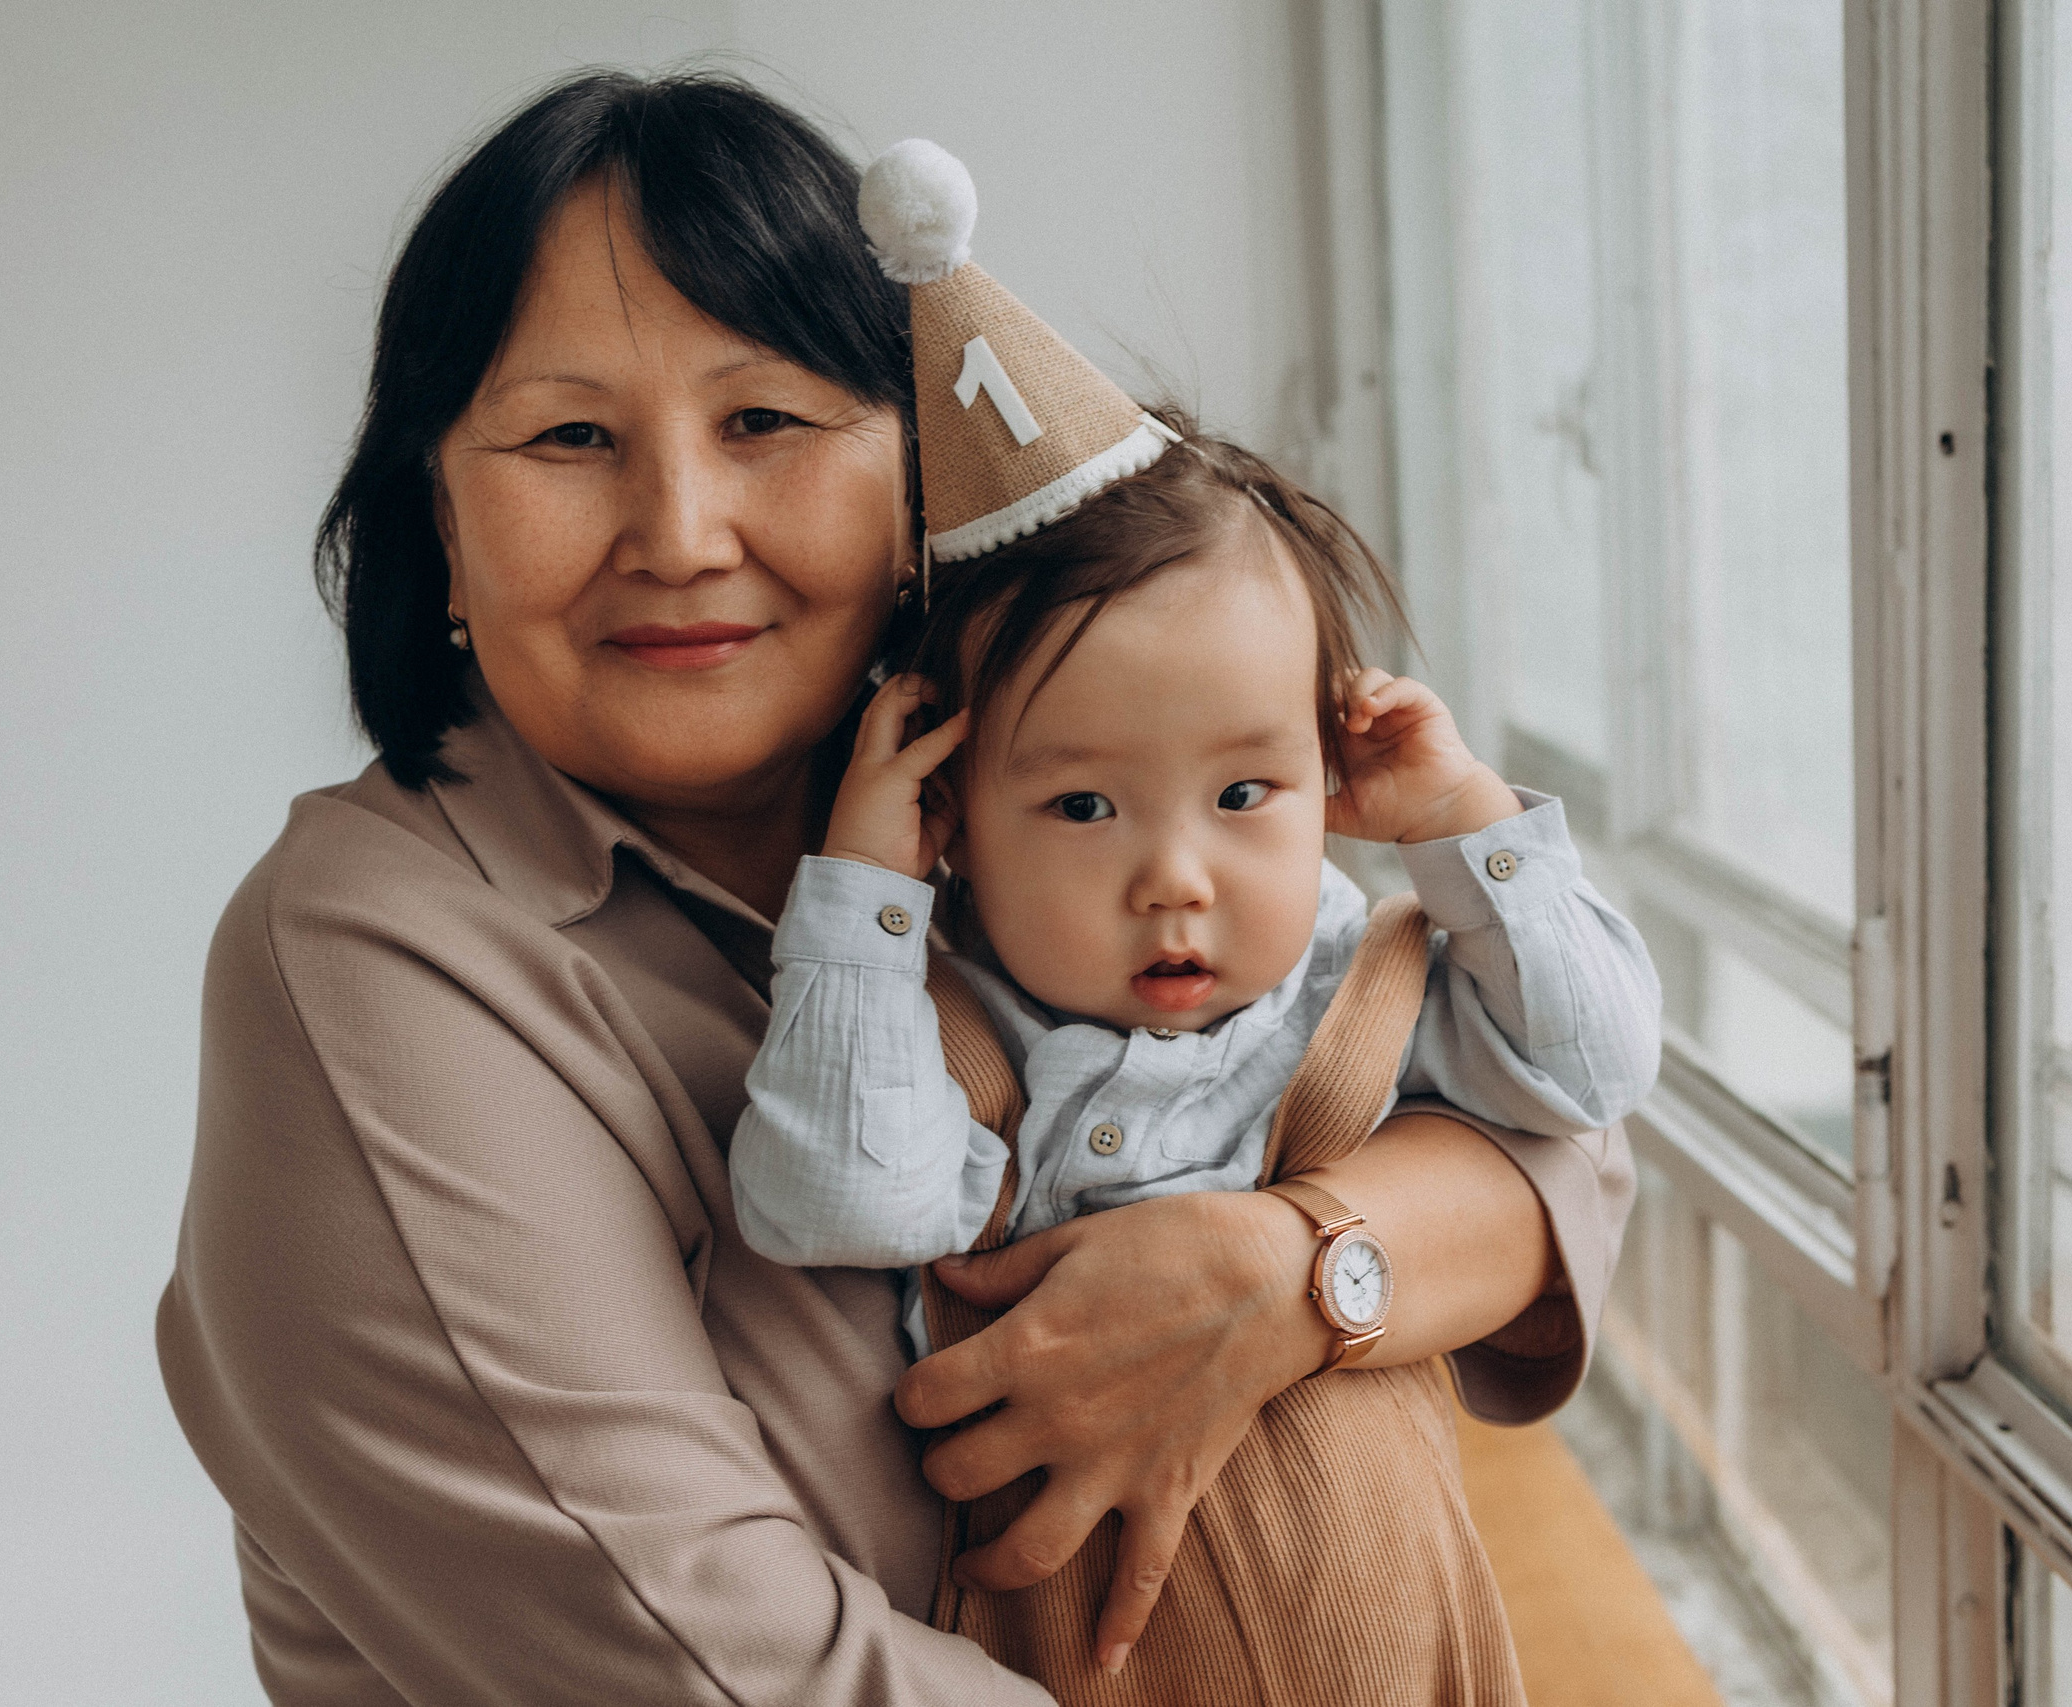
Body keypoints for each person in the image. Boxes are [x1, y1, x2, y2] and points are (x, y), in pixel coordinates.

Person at [156, 71, 1636, 1706]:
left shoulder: (1033, 819)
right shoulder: (377, 963)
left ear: (913, 483)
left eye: (766, 423)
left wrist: (1292, 1276)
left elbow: (1561, 1136)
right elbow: (724, 1671)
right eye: (570, 436)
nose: (681, 529)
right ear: (436, 519)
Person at [726, 144, 1659, 1696]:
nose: (1180, 877)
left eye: (1246, 795)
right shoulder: (944, 1043)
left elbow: (1594, 1069)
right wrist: (865, 903)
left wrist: (1469, 824)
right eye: (1085, 808)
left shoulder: (1354, 995)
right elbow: (833, 1197)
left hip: (1410, 1651)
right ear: (950, 819)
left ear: (1329, 762)